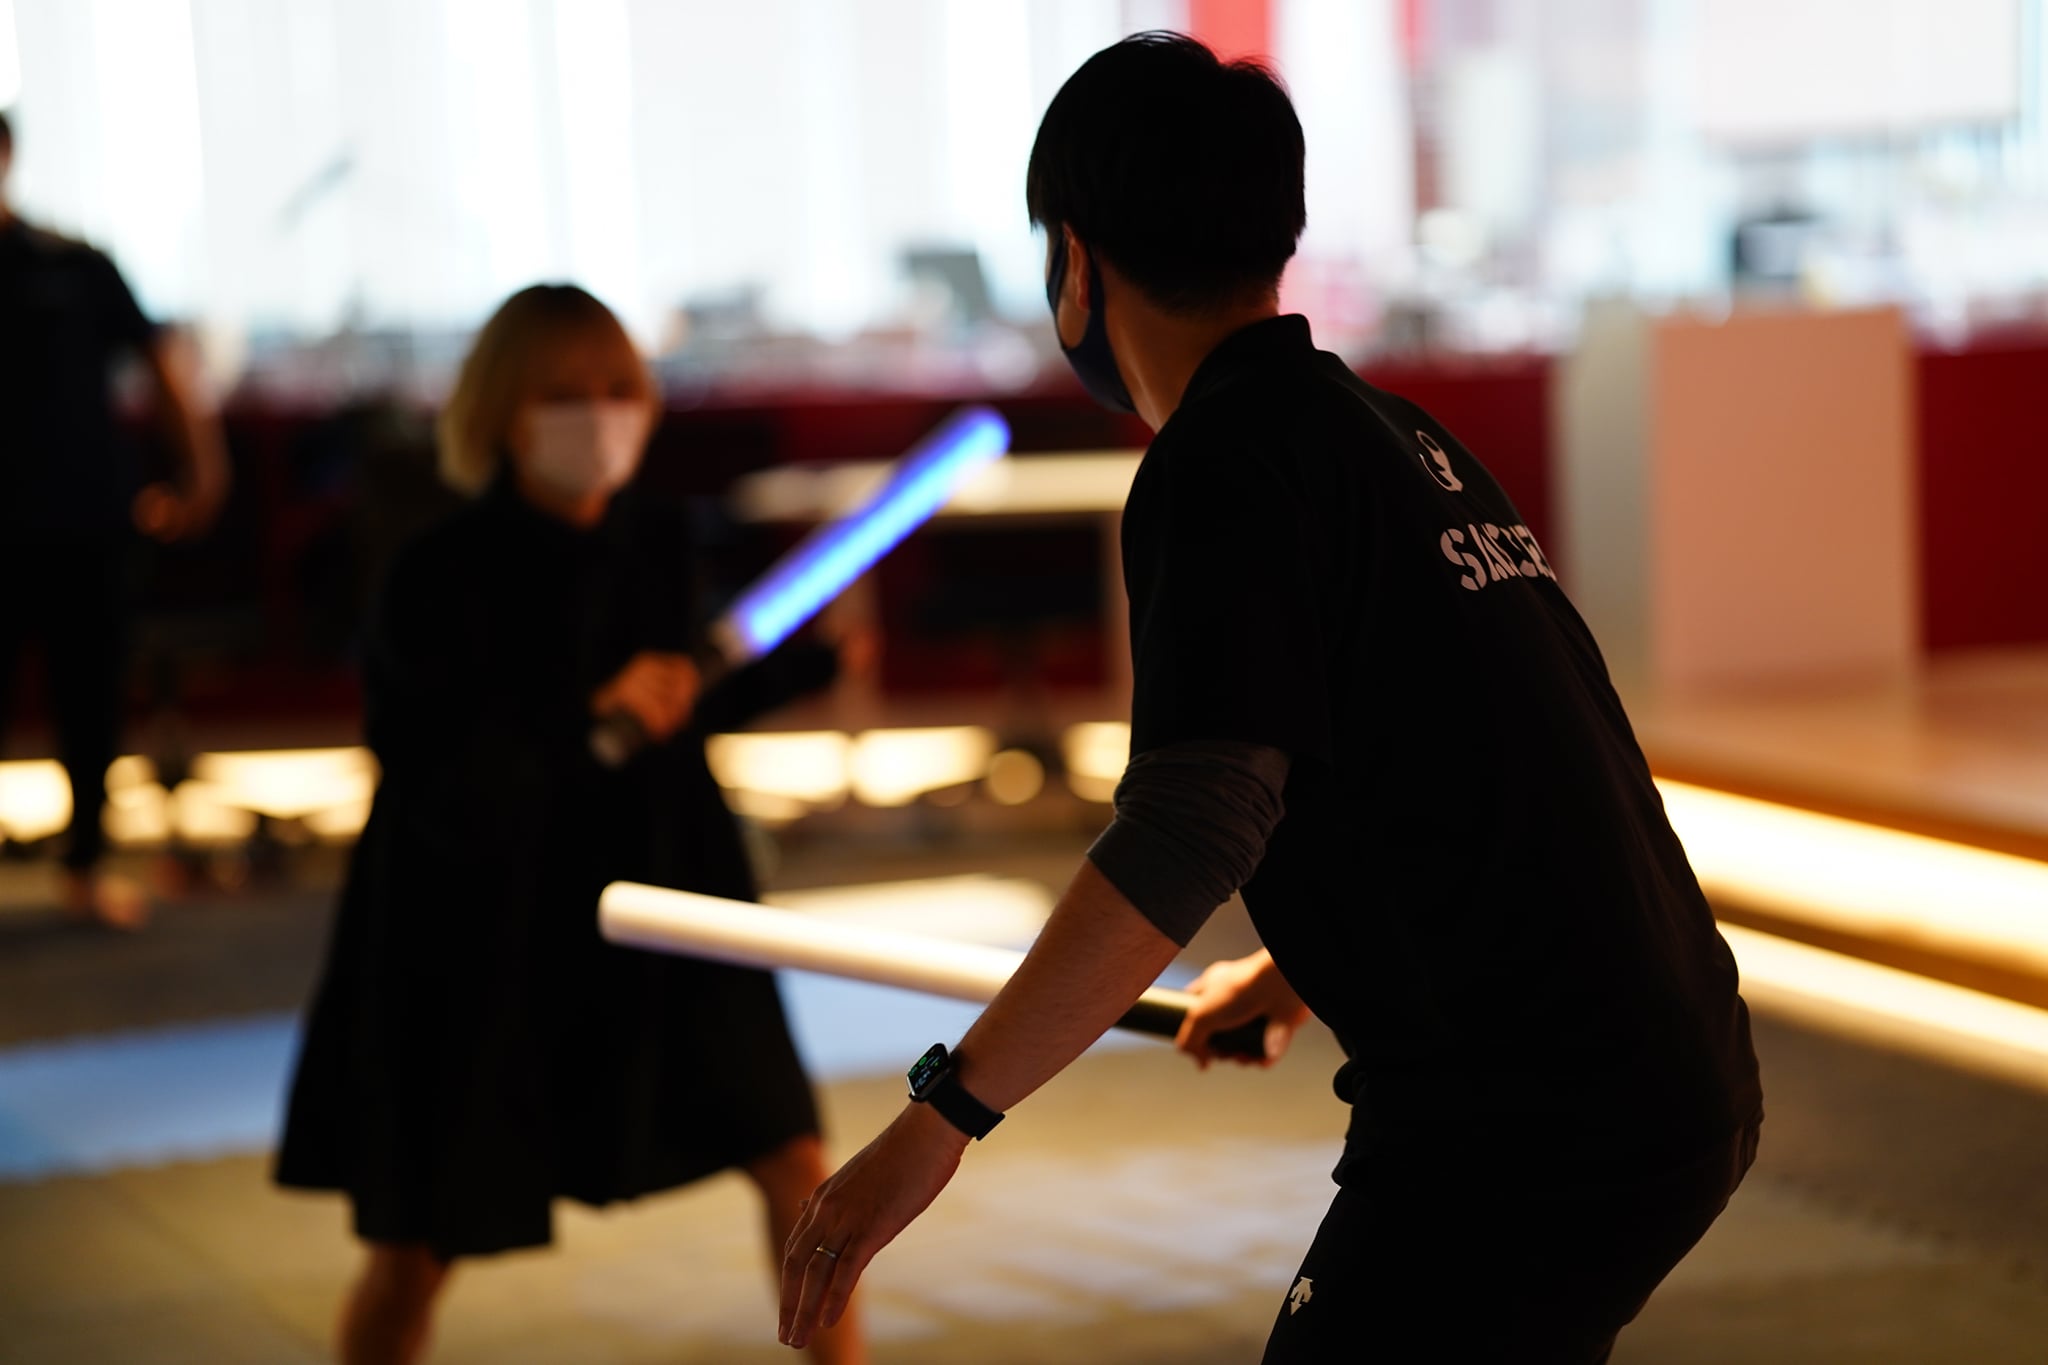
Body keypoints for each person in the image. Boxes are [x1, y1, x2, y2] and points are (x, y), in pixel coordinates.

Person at [778, 34, 1762, 1365]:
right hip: (1670, 1058)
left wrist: (938, 1118)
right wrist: (1298, 967)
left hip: (1524, 1120)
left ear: (1074, 266)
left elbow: (1192, 823)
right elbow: (1479, 754)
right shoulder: (1389, 433)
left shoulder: (1220, 465)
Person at [276, 284, 865, 1365]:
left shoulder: (655, 536)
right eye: (564, 393)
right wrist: (584, 714)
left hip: (672, 890)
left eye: (617, 389)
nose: (598, 416)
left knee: (793, 1157)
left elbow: (688, 696)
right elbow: (425, 757)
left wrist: (799, 667)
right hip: (488, 920)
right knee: (416, 1248)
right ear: (501, 409)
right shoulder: (435, 568)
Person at [0, 108, 230, 928]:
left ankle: (87, 863)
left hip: (80, 520)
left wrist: (202, 468)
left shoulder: (73, 265)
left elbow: (160, 360)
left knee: (91, 695)